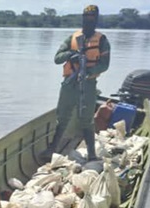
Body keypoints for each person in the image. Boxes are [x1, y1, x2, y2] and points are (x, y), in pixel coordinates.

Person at [43, 4, 111, 164]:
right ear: (82, 18)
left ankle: (92, 154)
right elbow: (57, 58)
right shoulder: (72, 38)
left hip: (88, 84)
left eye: (92, 18)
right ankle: (52, 148)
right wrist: (71, 55)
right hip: (69, 83)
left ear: (96, 19)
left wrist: (87, 72)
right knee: (62, 115)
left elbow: (105, 64)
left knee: (86, 118)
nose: (88, 20)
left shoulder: (102, 40)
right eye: (86, 17)